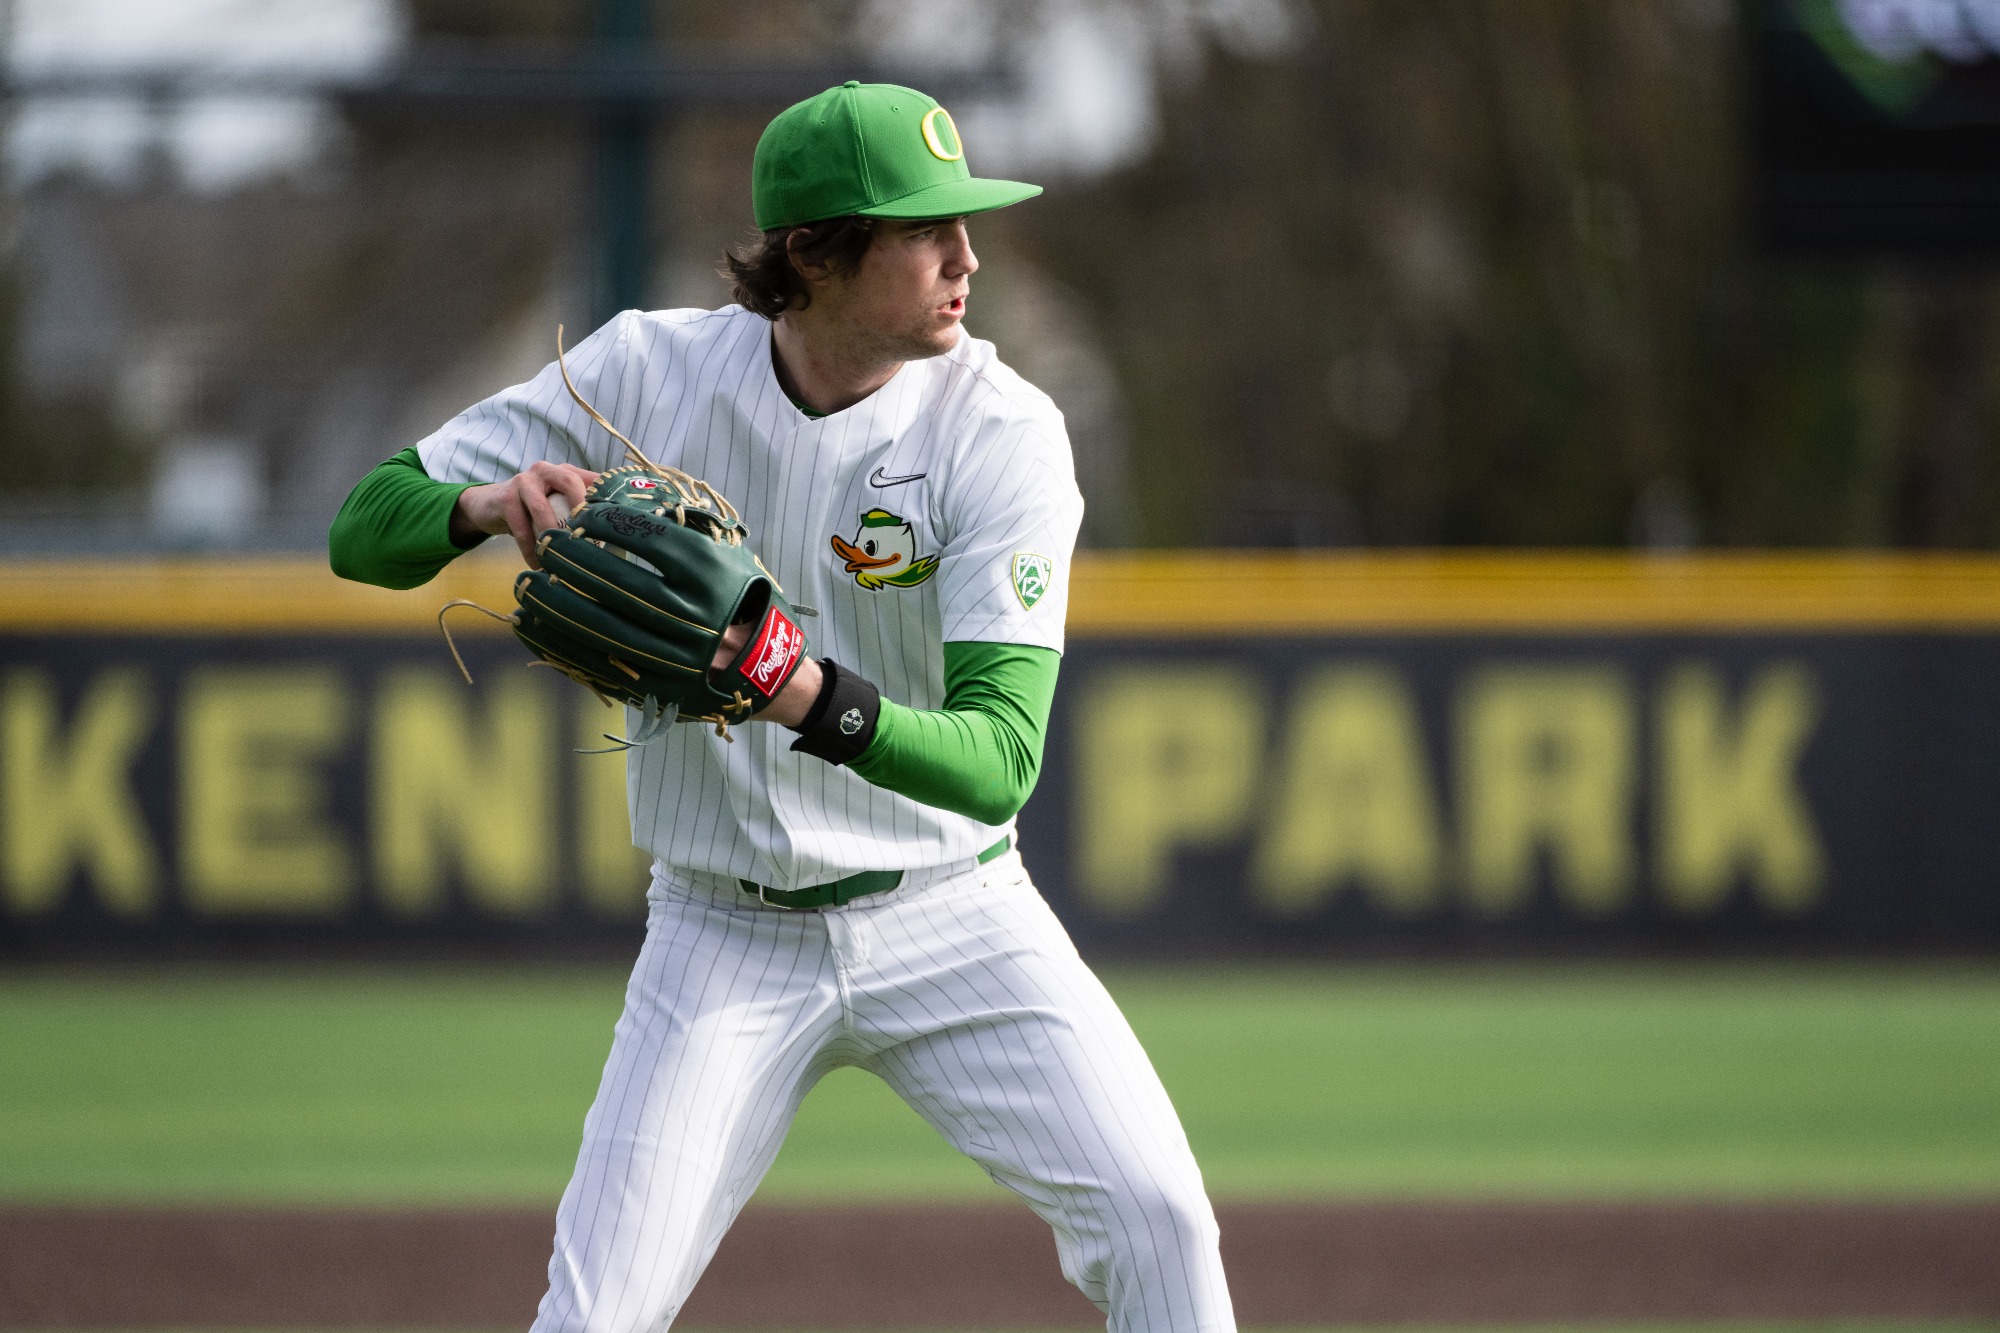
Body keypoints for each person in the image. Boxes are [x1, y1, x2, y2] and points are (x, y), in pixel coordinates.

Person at [328, 81, 1234, 1333]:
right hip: (722, 932)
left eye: (963, 224)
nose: (965, 256)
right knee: (590, 1320)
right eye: (924, 230)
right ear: (811, 251)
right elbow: (359, 525)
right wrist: (483, 507)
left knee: (1163, 1227)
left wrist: (792, 687)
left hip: (954, 913)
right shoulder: (647, 371)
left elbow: (999, 760)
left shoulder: (1003, 432)